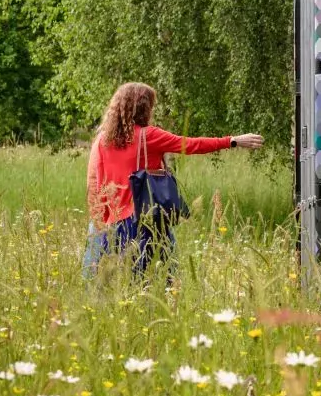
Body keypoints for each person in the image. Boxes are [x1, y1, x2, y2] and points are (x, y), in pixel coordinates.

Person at [84, 82, 262, 275]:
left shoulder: (102, 141)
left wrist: (100, 221)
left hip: (113, 224)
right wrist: (232, 141)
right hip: (145, 221)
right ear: (144, 108)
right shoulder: (149, 135)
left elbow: (95, 182)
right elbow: (192, 145)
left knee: (118, 281)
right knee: (163, 277)